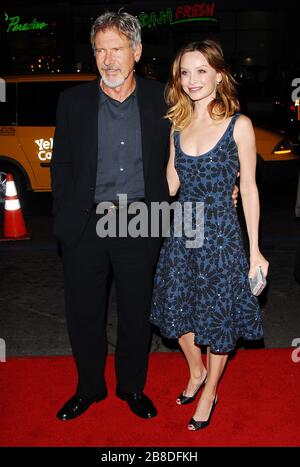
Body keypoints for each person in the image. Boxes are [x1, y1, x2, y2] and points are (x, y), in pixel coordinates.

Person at [51, 11, 171, 421]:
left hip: (141, 218)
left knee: (137, 312)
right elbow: (62, 166)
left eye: (116, 49)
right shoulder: (72, 101)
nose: (107, 59)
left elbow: (190, 148)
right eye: (100, 50)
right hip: (87, 223)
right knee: (84, 312)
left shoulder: (163, 99)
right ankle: (89, 387)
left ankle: (132, 387)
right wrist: (65, 220)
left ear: (136, 51)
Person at [150, 40, 269, 431]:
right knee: (174, 308)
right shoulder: (177, 125)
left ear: (219, 74)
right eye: (185, 72)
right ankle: (196, 370)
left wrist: (255, 250)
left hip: (220, 235)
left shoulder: (240, 125)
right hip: (183, 230)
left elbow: (249, 189)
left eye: (201, 70)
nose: (192, 80)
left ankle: (210, 389)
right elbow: (170, 185)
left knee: (218, 318)